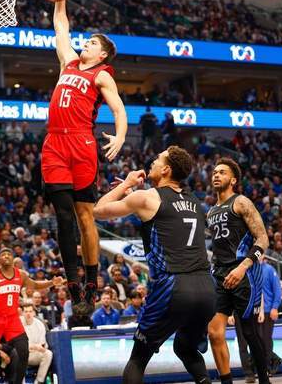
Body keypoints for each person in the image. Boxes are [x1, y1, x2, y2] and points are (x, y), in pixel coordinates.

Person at [93, 145, 215, 384]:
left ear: (167, 170)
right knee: (185, 348)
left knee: (138, 359)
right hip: (206, 288)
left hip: (174, 286)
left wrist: (126, 185)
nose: (153, 162)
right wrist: (135, 194)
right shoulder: (194, 201)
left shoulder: (147, 197)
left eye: (158, 159)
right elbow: (170, 217)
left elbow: (98, 210)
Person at [44, 0, 127, 308]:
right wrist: (60, 1)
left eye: (92, 42)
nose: (86, 43)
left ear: (102, 54)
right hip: (55, 143)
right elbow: (61, 27)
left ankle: (92, 281)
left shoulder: (102, 74)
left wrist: (120, 136)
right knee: (63, 215)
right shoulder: (68, 62)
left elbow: (118, 109)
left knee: (84, 216)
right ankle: (73, 283)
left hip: (82, 144)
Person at [206, 157, 271, 384]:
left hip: (245, 274)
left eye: (222, 172)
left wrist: (243, 267)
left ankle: (264, 380)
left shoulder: (241, 202)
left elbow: (263, 239)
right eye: (214, 172)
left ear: (233, 180)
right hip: (220, 274)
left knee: (249, 332)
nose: (216, 175)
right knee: (214, 332)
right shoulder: (211, 211)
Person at [0, 247, 64, 384]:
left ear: (13, 258)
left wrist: (51, 283)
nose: (6, 256)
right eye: (3, 254)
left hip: (12, 319)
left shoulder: (21, 275)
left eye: (9, 254)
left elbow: (34, 284)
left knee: (23, 352)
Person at [258, 258, 282, 375]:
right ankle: (273, 360)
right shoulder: (249, 269)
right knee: (257, 340)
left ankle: (267, 367)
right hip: (254, 311)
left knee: (266, 339)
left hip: (268, 310)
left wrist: (274, 307)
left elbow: (277, 289)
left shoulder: (269, 269)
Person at [21, 304, 53, 384]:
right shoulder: (18, 323)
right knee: (17, 353)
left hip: (34, 354)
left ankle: (39, 381)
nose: (28, 314)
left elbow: (42, 345)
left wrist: (36, 347)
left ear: (34, 313)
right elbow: (18, 345)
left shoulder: (39, 324)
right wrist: (34, 346)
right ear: (22, 313)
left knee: (48, 354)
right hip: (21, 354)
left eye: (30, 311)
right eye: (26, 311)